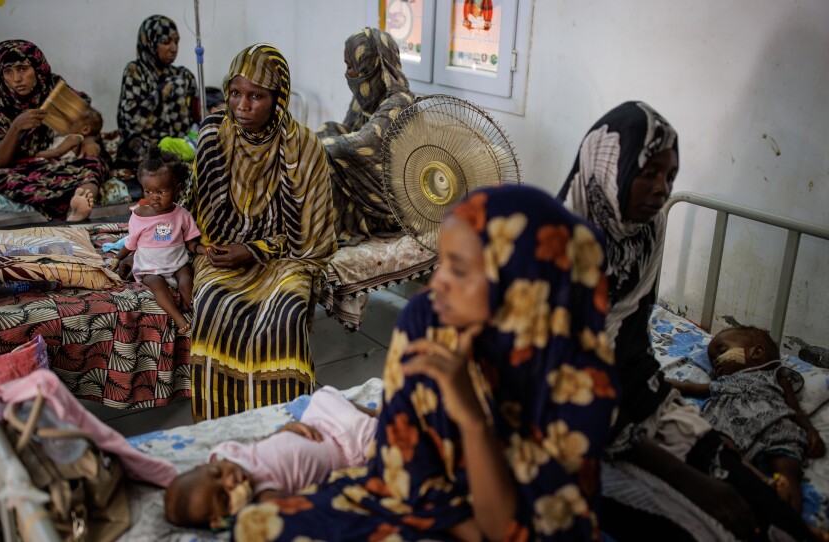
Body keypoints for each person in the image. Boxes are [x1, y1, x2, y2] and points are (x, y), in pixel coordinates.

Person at [231, 185, 618, 541]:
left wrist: (471, 418)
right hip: (430, 507)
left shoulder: (580, 380)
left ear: (523, 286)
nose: (437, 284)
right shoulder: (427, 321)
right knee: (257, 527)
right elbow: (399, 466)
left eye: (460, 269)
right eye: (442, 263)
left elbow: (528, 527)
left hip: (512, 523)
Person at [558, 101, 819, 541]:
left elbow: (633, 345)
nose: (662, 190)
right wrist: (689, 480)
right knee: (708, 524)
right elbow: (565, 392)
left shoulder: (648, 229)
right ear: (609, 167)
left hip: (625, 403)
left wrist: (694, 443)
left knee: (760, 504)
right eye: (648, 172)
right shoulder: (552, 248)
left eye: (671, 176)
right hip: (558, 431)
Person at [183, 43, 336, 420]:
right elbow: (205, 219)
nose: (242, 105)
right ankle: (219, 424)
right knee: (214, 301)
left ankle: (285, 421)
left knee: (286, 310)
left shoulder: (304, 146)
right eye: (235, 93)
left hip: (285, 255)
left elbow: (310, 238)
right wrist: (228, 249)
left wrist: (255, 250)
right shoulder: (213, 135)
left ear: (277, 98)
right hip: (222, 250)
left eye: (256, 96)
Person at [164, 387, 377, 529]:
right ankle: (382, 420)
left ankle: (372, 413)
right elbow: (293, 510)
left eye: (218, 474)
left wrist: (285, 430)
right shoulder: (264, 497)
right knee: (371, 437)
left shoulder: (228, 454)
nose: (230, 481)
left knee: (322, 397)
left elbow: (264, 446)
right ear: (220, 520)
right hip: (345, 451)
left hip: (316, 428)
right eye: (223, 496)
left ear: (208, 464)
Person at [671, 326, 826, 515]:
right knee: (721, 450)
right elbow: (688, 387)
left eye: (721, 351)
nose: (716, 362)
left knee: (788, 464)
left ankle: (793, 520)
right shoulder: (722, 382)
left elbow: (796, 410)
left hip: (774, 424)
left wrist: (811, 431)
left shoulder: (777, 376)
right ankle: (761, 483)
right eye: (712, 362)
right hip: (731, 430)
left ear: (757, 352)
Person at [0, 40, 107, 221]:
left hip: (58, 159)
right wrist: (15, 127)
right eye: (8, 72)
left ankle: (80, 204)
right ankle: (62, 205)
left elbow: (87, 116)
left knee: (93, 162)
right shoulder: (1, 103)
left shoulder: (52, 87)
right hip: (20, 166)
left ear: (37, 68)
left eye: (23, 69)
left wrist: (88, 139)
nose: (17, 79)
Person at [317, 27, 415, 246]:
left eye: (351, 66)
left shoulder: (400, 103)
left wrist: (312, 148)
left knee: (327, 155)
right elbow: (345, 132)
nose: (347, 73)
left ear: (368, 68)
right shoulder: (365, 99)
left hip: (389, 199)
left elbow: (362, 144)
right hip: (367, 181)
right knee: (327, 131)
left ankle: (312, 228)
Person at [110, 146, 201, 334]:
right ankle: (178, 318)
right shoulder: (139, 215)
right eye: (148, 192)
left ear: (176, 190)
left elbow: (191, 241)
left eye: (161, 191)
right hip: (149, 267)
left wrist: (202, 250)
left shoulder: (182, 214)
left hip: (177, 262)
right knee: (157, 286)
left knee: (186, 278)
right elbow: (130, 243)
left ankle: (193, 308)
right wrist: (117, 259)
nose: (154, 198)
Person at [116, 14, 199, 166]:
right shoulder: (135, 72)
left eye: (176, 41)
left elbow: (198, 111)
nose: (174, 48)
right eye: (166, 42)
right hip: (144, 146)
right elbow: (131, 119)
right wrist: (162, 94)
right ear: (150, 43)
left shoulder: (182, 75)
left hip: (178, 143)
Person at [35, 107, 103, 160]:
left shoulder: (74, 138)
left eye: (71, 123)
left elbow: (57, 152)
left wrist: (36, 155)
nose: (66, 124)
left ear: (85, 130)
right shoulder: (68, 136)